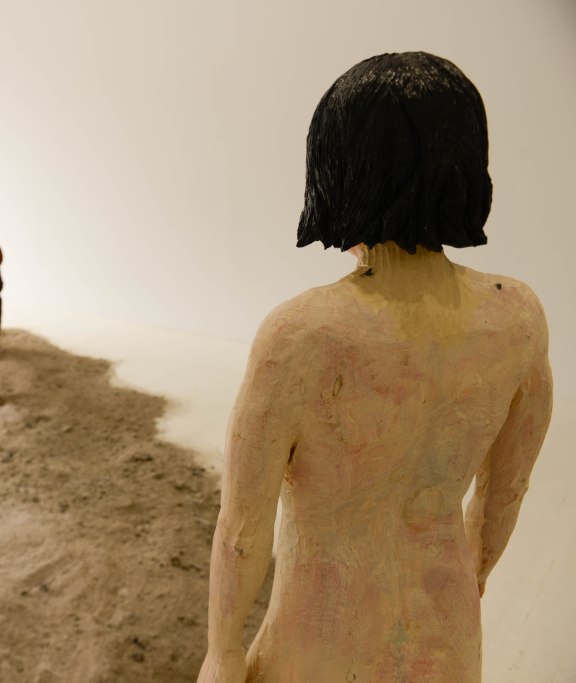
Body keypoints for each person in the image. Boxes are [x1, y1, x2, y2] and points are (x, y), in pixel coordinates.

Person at [198, 52, 553, 683]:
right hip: (447, 636)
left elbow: (242, 532)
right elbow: (505, 493)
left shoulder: (301, 336)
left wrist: (221, 653)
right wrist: (464, 581)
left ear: (339, 171)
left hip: (318, 646)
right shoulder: (518, 318)